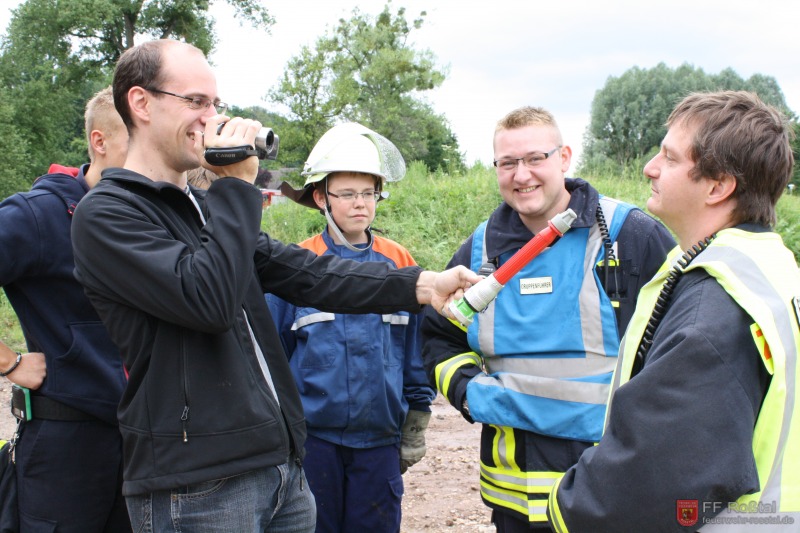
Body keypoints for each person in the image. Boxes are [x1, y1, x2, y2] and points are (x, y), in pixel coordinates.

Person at [69, 39, 479, 533]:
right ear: (140, 103)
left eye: (215, 103)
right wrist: (237, 187)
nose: (212, 117)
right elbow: (208, 301)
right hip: (198, 486)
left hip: (277, 466)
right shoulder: (108, 214)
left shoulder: (200, 207)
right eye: (196, 102)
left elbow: (310, 273)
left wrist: (422, 284)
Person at [546, 91, 800, 531]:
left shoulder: (716, 307)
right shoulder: (769, 266)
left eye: (669, 157)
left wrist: (567, 513)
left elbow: (651, 481)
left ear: (718, 186)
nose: (650, 167)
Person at [421, 106, 675, 531]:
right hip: (513, 500)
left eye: (535, 158)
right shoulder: (479, 250)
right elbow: (437, 340)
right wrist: (469, 393)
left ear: (564, 158)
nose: (522, 175)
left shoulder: (628, 236)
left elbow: (679, 350)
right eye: (508, 163)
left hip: (608, 493)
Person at [269, 122, 436, 533]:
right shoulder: (295, 264)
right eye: (347, 194)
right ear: (321, 197)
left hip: (380, 441)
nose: (360, 204)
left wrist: (416, 419)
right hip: (314, 444)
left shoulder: (399, 261)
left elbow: (414, 350)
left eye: (368, 193)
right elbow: (273, 356)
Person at [0, 86, 131, 531]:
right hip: (66, 447)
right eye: (136, 139)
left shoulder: (151, 220)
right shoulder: (39, 215)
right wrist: (9, 361)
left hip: (144, 447)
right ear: (100, 142)